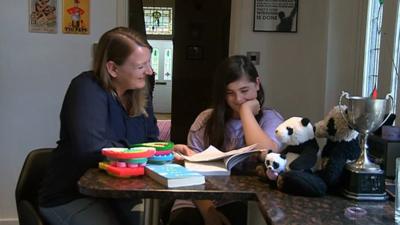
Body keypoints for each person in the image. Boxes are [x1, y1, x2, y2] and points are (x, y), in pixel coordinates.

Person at [38, 27, 159, 225]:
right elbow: (92, 148)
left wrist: (168, 152)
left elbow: (151, 141)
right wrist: (141, 151)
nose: (149, 71)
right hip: (72, 195)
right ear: (112, 69)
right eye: (140, 66)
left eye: (148, 63)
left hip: (117, 195)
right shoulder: (86, 88)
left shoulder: (139, 92)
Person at [170, 55, 284, 225]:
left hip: (237, 200)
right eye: (229, 93)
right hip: (196, 198)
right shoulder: (206, 119)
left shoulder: (270, 119)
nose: (238, 99)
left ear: (257, 84)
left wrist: (246, 112)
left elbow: (267, 153)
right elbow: (190, 172)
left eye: (244, 91)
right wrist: (209, 211)